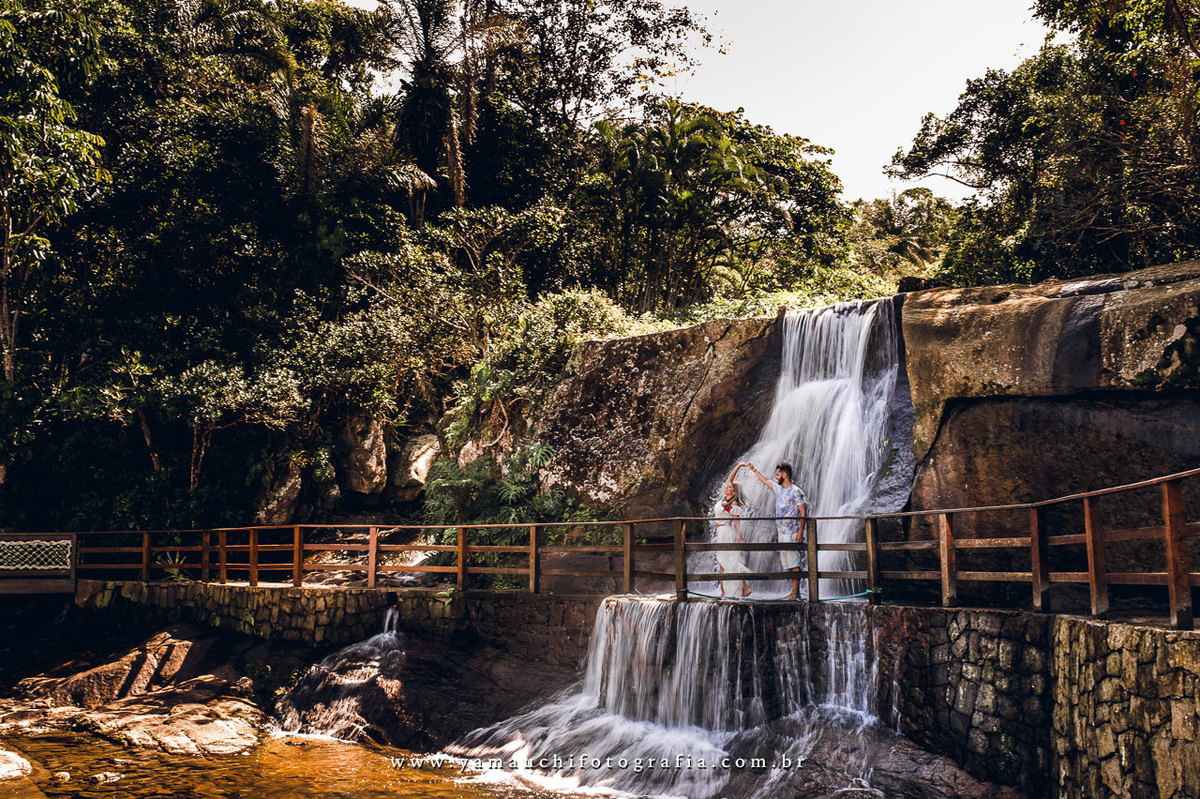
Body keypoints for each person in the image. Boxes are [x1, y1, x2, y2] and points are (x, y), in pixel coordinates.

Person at [742, 460, 808, 600]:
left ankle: (794, 594)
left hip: (792, 532)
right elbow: (766, 480)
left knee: (794, 563)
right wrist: (754, 470)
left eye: (778, 475)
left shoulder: (796, 491)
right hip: (781, 532)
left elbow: (803, 512)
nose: (776, 477)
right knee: (789, 564)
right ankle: (795, 593)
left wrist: (800, 531)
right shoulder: (779, 490)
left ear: (784, 475)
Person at [715, 464, 753, 598]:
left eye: (730, 487)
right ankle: (734, 590)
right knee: (723, 563)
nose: (727, 487)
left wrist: (740, 538)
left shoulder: (733, 503)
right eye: (727, 486)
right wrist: (739, 465)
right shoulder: (724, 500)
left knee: (727, 563)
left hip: (726, 532)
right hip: (721, 532)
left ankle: (737, 590)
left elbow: (736, 521)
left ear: (734, 492)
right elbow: (730, 479)